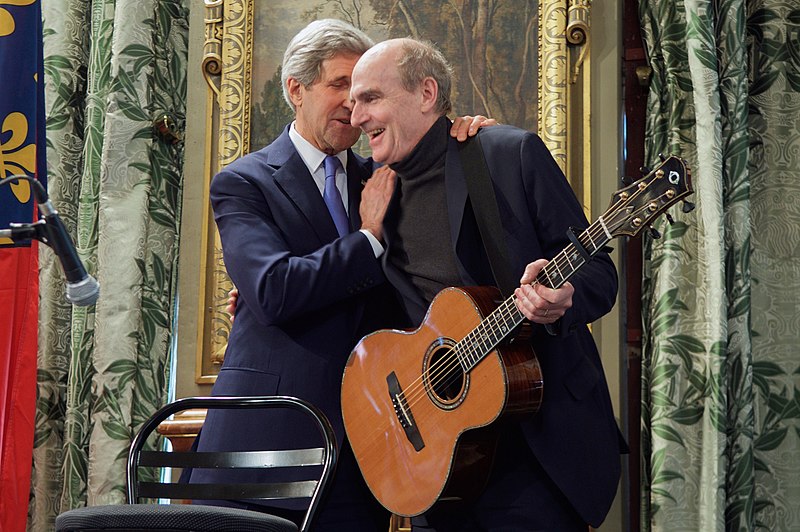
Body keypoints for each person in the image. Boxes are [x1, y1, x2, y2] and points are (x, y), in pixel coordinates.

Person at [189, 19, 492, 531]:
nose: (353, 107)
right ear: (295, 89)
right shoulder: (244, 182)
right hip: (264, 443)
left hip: (366, 446)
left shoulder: (384, 176)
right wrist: (367, 239)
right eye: (338, 86)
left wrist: (466, 141)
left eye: (360, 93)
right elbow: (272, 290)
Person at [347, 38, 625, 531]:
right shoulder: (368, 189)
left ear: (426, 92)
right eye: (352, 103)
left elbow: (598, 271)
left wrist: (563, 299)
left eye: (370, 98)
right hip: (437, 455)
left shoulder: (505, 154)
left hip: (534, 447)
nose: (356, 118)